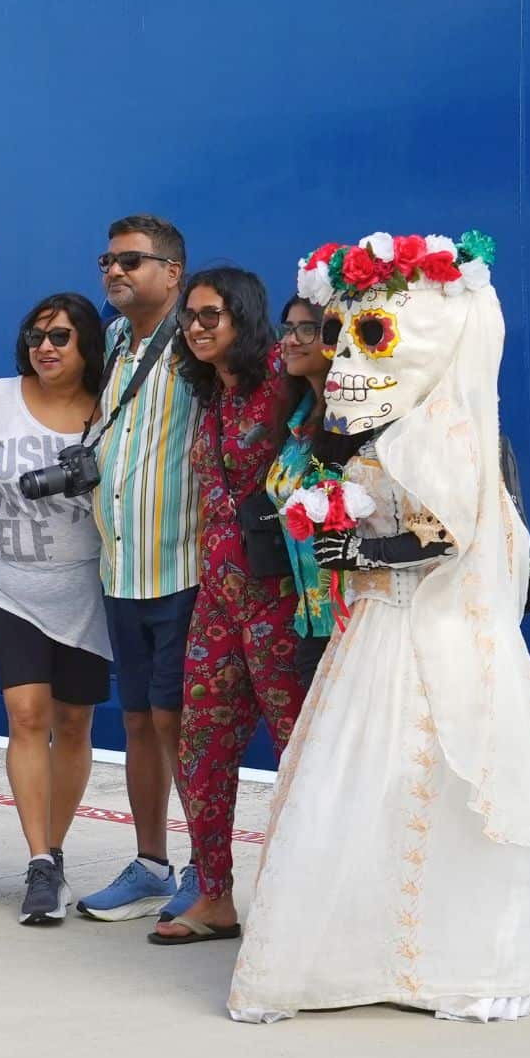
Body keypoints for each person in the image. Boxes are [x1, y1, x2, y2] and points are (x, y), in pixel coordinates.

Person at [229, 231, 530, 1022]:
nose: (346, 355)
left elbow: (446, 532)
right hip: (378, 630)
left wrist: (356, 546)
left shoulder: (447, 431)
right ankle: (367, 949)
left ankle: (436, 954)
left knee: (420, 783)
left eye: (372, 334)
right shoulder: (391, 429)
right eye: (342, 332)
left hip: (427, 635)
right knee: (370, 784)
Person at [149, 267, 303, 944]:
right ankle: (214, 895)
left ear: (244, 316)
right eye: (190, 316)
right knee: (203, 746)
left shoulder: (280, 376)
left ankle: (309, 901)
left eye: (211, 314)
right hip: (218, 602)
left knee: (300, 750)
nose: (197, 326)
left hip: (279, 601)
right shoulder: (208, 392)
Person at [0, 293, 113, 924]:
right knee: (27, 715)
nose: (44, 347)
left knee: (74, 723)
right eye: (35, 336)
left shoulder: (110, 413)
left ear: (86, 347)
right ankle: (39, 864)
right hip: (8, 583)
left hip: (83, 590)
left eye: (59, 337)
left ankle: (55, 846)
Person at [77, 215, 202, 922]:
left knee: (177, 724)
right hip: (121, 570)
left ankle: (205, 868)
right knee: (135, 724)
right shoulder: (114, 339)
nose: (114, 272)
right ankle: (151, 861)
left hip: (179, 567)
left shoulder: (198, 341)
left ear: (172, 272)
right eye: (107, 260)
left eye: (130, 261)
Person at [263, 297, 339, 687]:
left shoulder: (353, 425)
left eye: (306, 329)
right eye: (287, 329)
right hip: (308, 622)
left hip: (349, 624)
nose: (291, 340)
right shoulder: (295, 423)